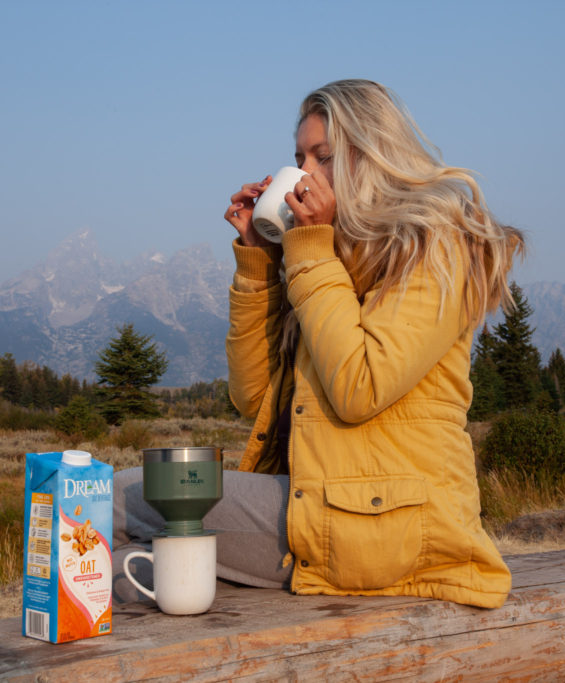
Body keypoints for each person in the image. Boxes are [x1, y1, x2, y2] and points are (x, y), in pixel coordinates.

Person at [113, 79, 522, 609]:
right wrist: (259, 264)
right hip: (328, 508)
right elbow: (254, 401)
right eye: (299, 157)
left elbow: (360, 386)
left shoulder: (439, 245)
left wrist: (309, 250)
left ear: (370, 159)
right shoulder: (327, 259)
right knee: (130, 575)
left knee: (115, 498)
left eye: (322, 157)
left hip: (390, 523)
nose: (304, 173)